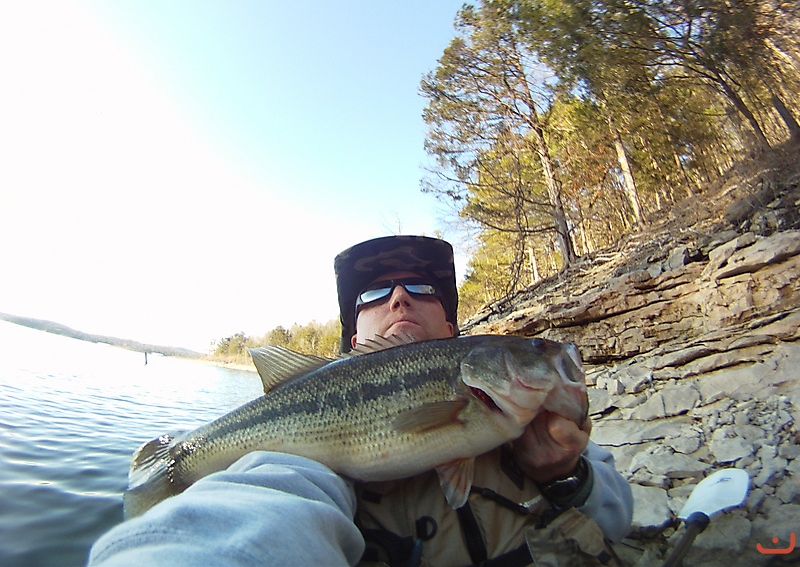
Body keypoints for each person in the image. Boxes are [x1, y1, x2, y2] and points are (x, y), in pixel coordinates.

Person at [88, 235, 632, 567]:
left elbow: (618, 516)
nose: (398, 296)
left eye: (422, 288)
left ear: (452, 327)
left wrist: (565, 475)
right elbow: (261, 504)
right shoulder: (299, 470)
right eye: (374, 294)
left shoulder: (537, 419)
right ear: (355, 338)